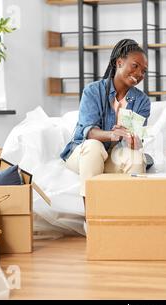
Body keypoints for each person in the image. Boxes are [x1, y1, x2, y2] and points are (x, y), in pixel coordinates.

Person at [60, 39, 150, 199]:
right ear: (119, 62)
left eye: (143, 71)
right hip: (84, 153)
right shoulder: (93, 91)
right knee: (94, 146)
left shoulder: (142, 101)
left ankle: (133, 216)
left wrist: (133, 140)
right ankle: (92, 219)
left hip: (112, 156)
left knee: (136, 156)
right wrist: (112, 135)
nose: (139, 74)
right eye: (135, 66)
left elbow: (136, 140)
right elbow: (89, 132)